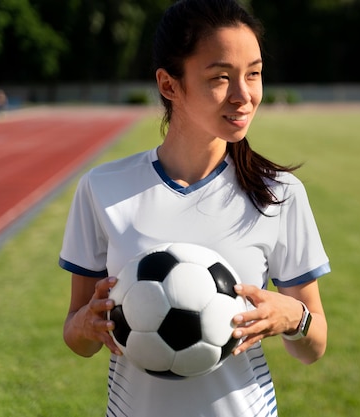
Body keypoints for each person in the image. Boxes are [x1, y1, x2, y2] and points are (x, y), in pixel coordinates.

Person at [59, 0, 330, 416]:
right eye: (220, 77)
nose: (244, 96)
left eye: (253, 74)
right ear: (170, 85)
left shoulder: (280, 193)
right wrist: (84, 324)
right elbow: (79, 339)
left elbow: (313, 348)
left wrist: (295, 318)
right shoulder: (103, 189)